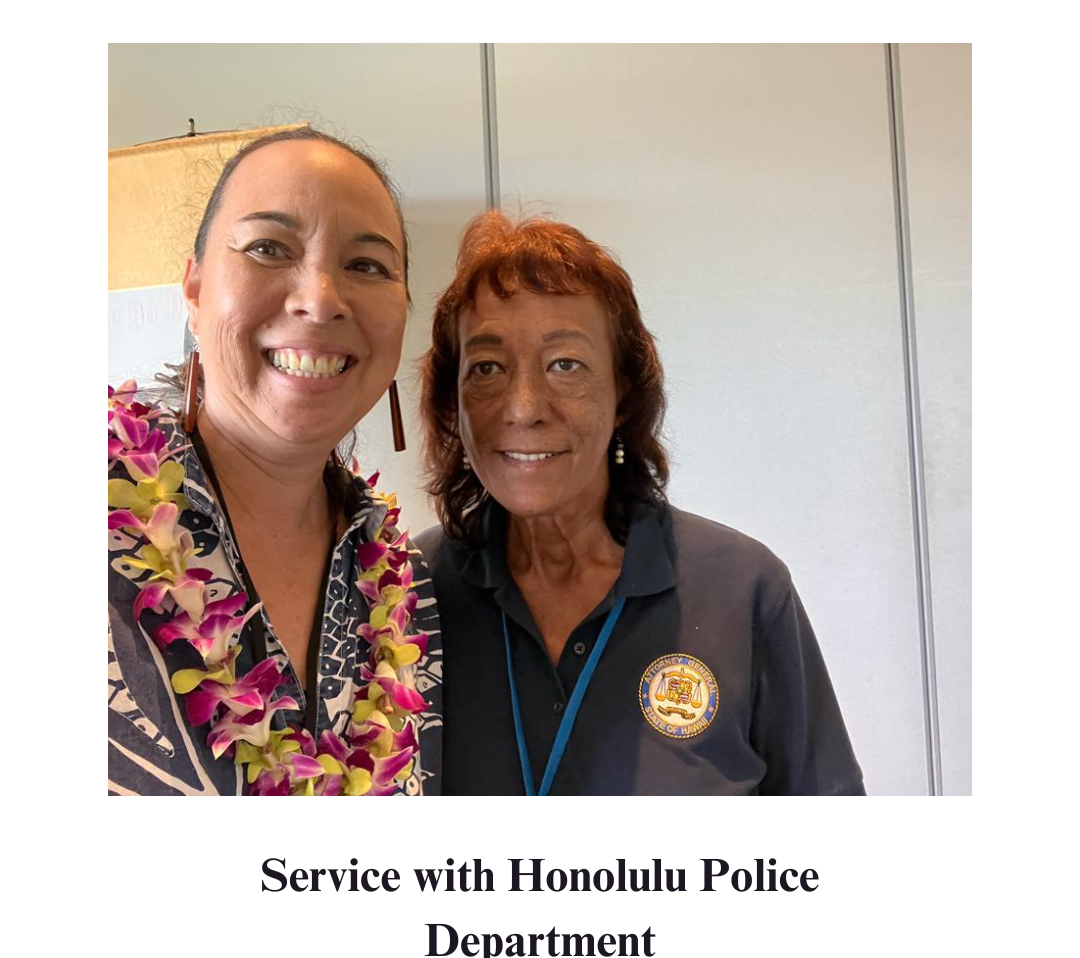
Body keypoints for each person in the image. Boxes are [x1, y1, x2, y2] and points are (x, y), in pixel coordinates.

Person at [417, 212, 862, 796]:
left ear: (624, 392)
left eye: (565, 365)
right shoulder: (411, 592)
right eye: (487, 368)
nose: (523, 408)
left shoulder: (742, 586)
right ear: (452, 403)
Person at [108, 128, 442, 796]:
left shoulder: (411, 592)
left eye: (367, 265)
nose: (320, 299)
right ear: (194, 287)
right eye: (268, 247)